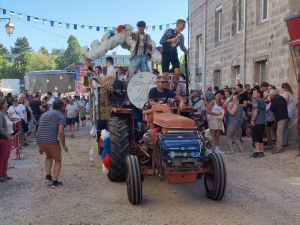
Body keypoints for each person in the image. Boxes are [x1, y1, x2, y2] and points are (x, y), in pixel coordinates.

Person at [37, 99, 68, 188]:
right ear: (63, 107)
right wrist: (64, 145)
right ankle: (55, 181)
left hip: (41, 139)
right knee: (58, 160)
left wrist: (40, 145)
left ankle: (48, 176)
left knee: (48, 156)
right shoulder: (61, 116)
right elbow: (60, 131)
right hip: (51, 140)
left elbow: (39, 128)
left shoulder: (44, 114)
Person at [160, 19, 188, 90]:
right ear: (178, 24)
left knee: (177, 72)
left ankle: (175, 88)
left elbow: (181, 46)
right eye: (183, 25)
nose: (184, 27)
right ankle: (166, 90)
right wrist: (170, 40)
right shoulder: (169, 31)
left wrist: (185, 50)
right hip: (166, 52)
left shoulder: (181, 36)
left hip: (174, 52)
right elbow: (161, 41)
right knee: (165, 75)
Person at [269, 89, 288, 154]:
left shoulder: (275, 99)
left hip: (280, 117)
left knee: (279, 133)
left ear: (272, 95)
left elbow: (272, 108)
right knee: (279, 131)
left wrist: (270, 101)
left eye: (270, 95)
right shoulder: (282, 98)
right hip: (284, 116)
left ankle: (279, 148)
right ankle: (279, 146)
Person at [0, 98, 13, 182]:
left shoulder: (4, 114)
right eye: (5, 103)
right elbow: (0, 127)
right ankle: (0, 174)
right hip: (4, 137)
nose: (7, 104)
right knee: (2, 156)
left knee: (7, 155)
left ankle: (4, 173)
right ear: (2, 105)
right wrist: (7, 135)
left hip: (8, 136)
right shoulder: (1, 114)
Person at [250, 89, 266, 158]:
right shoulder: (262, 101)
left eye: (254, 93)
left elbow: (256, 110)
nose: (253, 94)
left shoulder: (256, 101)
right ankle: (261, 151)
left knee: (255, 137)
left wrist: (253, 120)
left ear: (259, 94)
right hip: (262, 121)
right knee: (260, 137)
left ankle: (257, 151)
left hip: (257, 121)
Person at [280, 82, 293, 147]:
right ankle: (285, 141)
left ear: (283, 88)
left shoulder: (286, 94)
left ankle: (284, 142)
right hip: (288, 112)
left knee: (284, 128)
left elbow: (283, 103)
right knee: (285, 127)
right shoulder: (290, 94)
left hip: (286, 112)